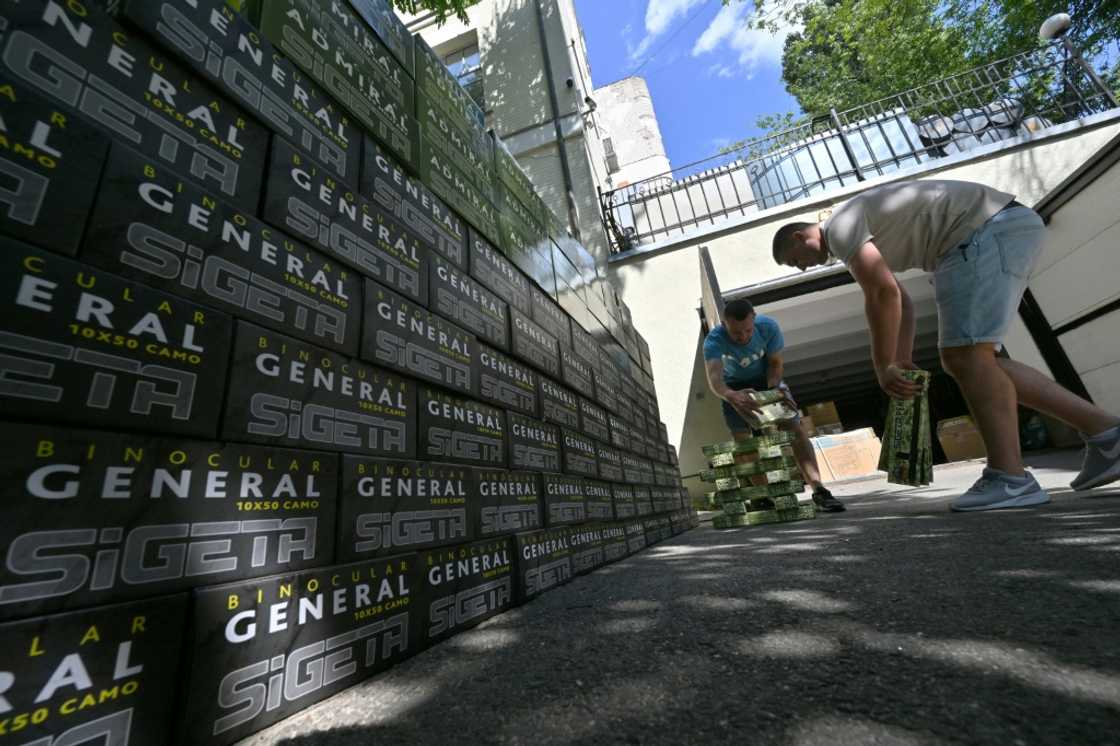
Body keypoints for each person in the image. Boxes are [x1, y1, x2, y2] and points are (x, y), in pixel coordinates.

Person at [771, 179, 1120, 512]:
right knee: (973, 359)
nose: (800, 267)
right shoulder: (854, 234)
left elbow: (882, 294)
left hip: (983, 231)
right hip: (992, 231)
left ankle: (1011, 479)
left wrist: (882, 365)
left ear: (800, 236)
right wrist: (902, 358)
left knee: (967, 357)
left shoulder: (840, 226)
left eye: (794, 258)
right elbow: (901, 301)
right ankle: (1107, 435)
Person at [703, 298, 846, 512]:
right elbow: (715, 380)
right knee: (743, 441)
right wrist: (731, 395)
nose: (743, 337)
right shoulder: (713, 340)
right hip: (734, 387)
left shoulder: (768, 327)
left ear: (754, 319)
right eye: (736, 333)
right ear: (725, 325)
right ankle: (762, 495)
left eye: (748, 331)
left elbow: (775, 364)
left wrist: (774, 391)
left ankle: (819, 490)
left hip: (766, 379)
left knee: (795, 427)